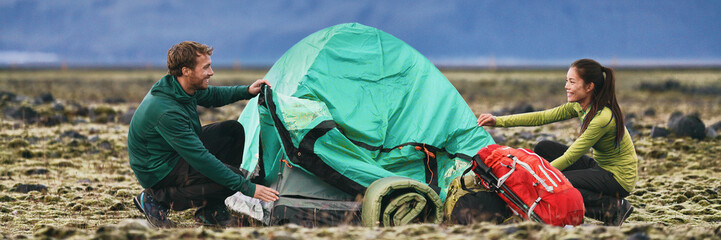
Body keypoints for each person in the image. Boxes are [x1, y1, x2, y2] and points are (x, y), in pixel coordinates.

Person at [127, 41, 279, 228]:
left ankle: (210, 212)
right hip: (158, 169)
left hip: (172, 152)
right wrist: (248, 188)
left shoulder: (181, 87)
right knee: (228, 179)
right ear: (186, 70)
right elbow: (201, 159)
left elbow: (212, 95)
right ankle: (157, 199)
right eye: (206, 67)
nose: (211, 72)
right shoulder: (166, 111)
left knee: (232, 131)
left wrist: (247, 91)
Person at [476, 59, 636, 226]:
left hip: (618, 179)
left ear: (589, 87)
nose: (566, 86)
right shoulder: (578, 106)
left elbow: (571, 156)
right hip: (600, 168)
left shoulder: (602, 118)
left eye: (572, 82)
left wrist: (539, 179)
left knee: (563, 182)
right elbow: (542, 117)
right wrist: (497, 121)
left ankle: (614, 209)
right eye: (566, 80)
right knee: (543, 147)